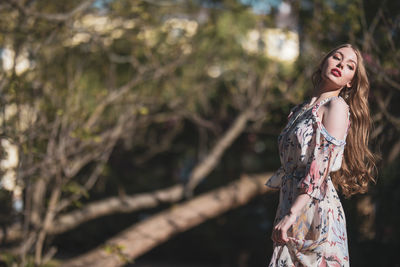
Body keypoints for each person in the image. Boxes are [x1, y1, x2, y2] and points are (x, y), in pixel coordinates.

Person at [265, 44, 377, 266]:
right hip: (289, 204)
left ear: (350, 81)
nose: (341, 65)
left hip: (315, 210)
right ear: (324, 61)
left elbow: (320, 167)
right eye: (336, 58)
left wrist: (292, 214)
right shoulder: (298, 111)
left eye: (349, 66)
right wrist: (286, 212)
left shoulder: (337, 107)